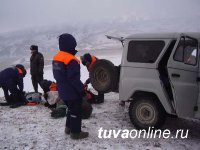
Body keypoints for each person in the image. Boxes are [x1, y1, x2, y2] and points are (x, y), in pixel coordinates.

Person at [52, 33, 88, 139]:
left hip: (62, 90)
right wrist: (82, 91)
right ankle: (76, 133)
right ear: (71, 44)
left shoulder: (57, 57)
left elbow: (56, 75)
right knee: (76, 110)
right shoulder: (71, 59)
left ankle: (68, 128)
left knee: (70, 109)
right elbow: (74, 79)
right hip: (71, 91)